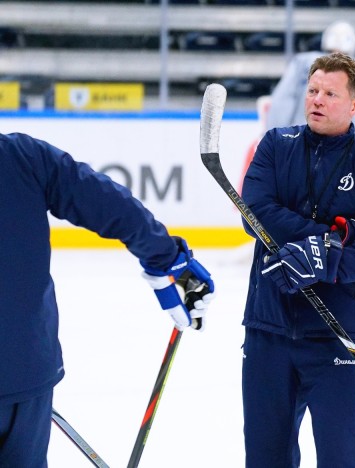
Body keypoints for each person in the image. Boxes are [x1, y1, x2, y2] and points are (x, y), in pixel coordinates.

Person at [0, 132, 214, 467]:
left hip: (26, 373)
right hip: (26, 371)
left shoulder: (21, 156)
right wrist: (167, 257)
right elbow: (105, 201)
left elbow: (101, 200)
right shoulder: (20, 155)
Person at [240, 52, 355, 468]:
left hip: (338, 337)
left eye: (330, 93)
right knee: (265, 459)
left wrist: (328, 262)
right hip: (269, 330)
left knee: (341, 459)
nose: (317, 99)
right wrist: (330, 241)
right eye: (313, 90)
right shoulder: (276, 146)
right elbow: (254, 211)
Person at [265, 20, 355, 149]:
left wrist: (276, 138)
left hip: (305, 145)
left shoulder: (303, 63)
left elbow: (282, 103)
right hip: (348, 150)